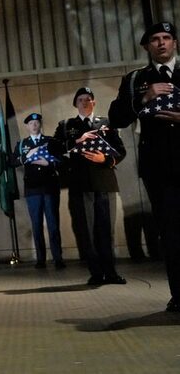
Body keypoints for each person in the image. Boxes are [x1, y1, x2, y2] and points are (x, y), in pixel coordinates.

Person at [109, 21, 180, 312]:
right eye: (155, 39)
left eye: (167, 37)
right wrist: (144, 97)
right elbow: (116, 118)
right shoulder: (136, 78)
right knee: (172, 234)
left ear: (175, 42)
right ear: (146, 46)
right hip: (160, 170)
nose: (161, 43)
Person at [54, 87, 127, 286]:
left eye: (88, 99)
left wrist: (105, 158)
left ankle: (110, 272)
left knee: (106, 230)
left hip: (104, 182)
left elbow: (120, 151)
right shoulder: (67, 125)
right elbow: (55, 148)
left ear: (94, 102)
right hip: (81, 184)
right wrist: (77, 140)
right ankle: (96, 273)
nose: (85, 102)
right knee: (87, 231)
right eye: (80, 100)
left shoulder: (106, 124)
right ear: (75, 104)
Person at [13, 113, 65, 270]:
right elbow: (12, 161)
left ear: (40, 124)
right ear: (27, 126)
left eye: (36, 122)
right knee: (36, 225)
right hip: (32, 189)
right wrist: (26, 156)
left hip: (49, 187)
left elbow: (61, 160)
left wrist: (48, 163)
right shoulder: (22, 144)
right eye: (31, 123)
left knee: (53, 225)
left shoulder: (50, 141)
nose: (34, 125)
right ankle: (41, 259)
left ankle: (58, 258)